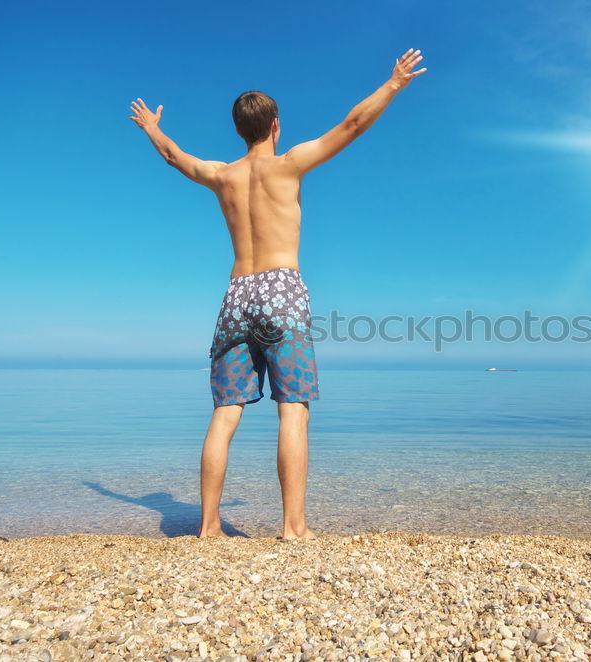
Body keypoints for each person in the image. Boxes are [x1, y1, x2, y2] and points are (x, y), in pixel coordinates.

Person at [129, 49, 427, 541]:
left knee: (226, 411)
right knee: (293, 408)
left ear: (240, 130)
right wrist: (393, 84)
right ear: (275, 126)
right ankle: (293, 527)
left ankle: (207, 527)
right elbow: (351, 125)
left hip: (236, 294)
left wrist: (151, 128)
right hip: (281, 290)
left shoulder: (222, 175)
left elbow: (173, 157)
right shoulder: (289, 165)